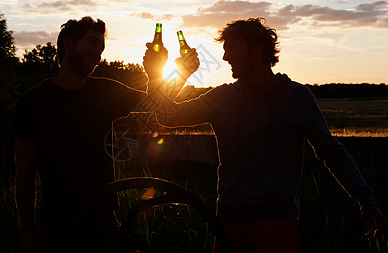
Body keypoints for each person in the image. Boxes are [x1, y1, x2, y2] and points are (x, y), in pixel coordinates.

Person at [143, 17, 386, 253]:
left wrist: (365, 199)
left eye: (233, 48)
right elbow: (167, 117)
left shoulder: (294, 97)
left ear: (257, 49)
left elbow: (331, 152)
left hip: (275, 225)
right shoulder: (222, 97)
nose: (225, 57)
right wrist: (170, 74)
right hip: (227, 223)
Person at [13, 16, 194, 253]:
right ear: (68, 44)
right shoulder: (32, 102)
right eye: (92, 42)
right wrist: (27, 232)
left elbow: (157, 103)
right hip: (58, 226)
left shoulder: (104, 91)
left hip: (104, 223)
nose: (98, 52)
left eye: (101, 47)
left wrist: (179, 72)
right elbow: (24, 172)